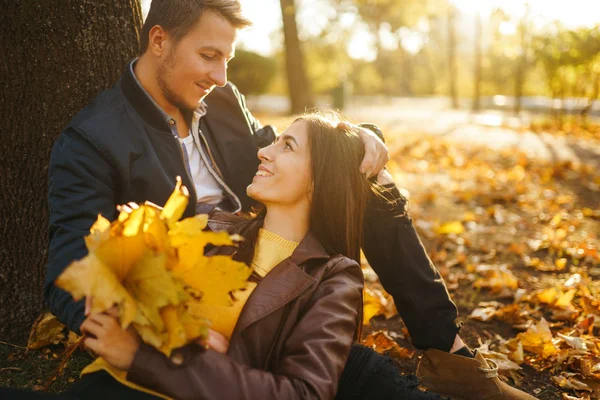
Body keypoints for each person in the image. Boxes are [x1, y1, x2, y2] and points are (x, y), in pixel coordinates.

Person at [42, 0, 536, 399]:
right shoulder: (94, 140)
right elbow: (68, 273)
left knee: (370, 180)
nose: (220, 75)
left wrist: (359, 137)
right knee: (358, 374)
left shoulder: (221, 101)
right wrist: (155, 325)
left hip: (276, 266)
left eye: (227, 60)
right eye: (208, 56)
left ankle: (449, 353)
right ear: (159, 41)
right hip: (192, 305)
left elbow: (291, 153)